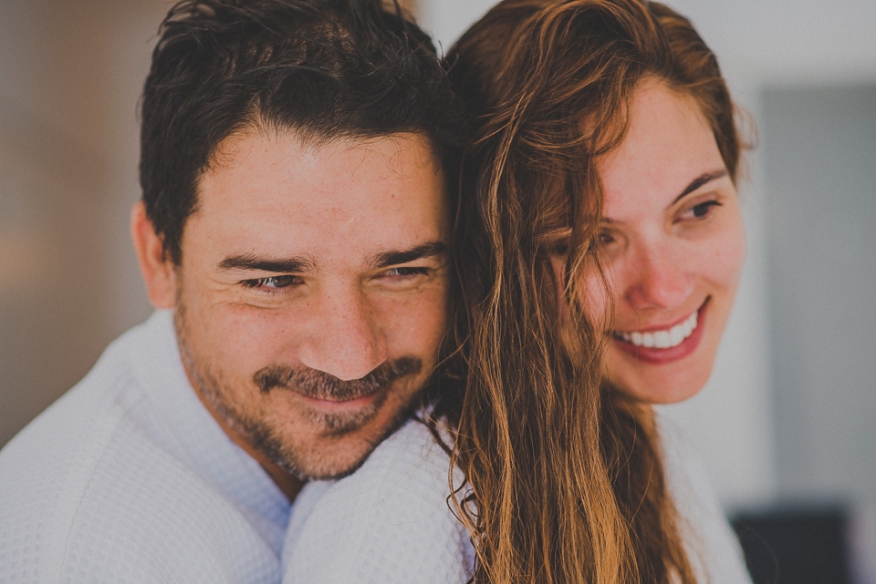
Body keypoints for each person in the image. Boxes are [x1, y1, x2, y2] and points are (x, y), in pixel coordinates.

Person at [0, 1, 474, 582]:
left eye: (400, 272)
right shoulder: (78, 555)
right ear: (159, 259)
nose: (353, 356)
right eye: (273, 281)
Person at [446, 0, 753, 581]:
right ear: (485, 259)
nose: (663, 289)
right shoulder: (418, 502)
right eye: (587, 242)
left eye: (698, 208)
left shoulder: (651, 448)